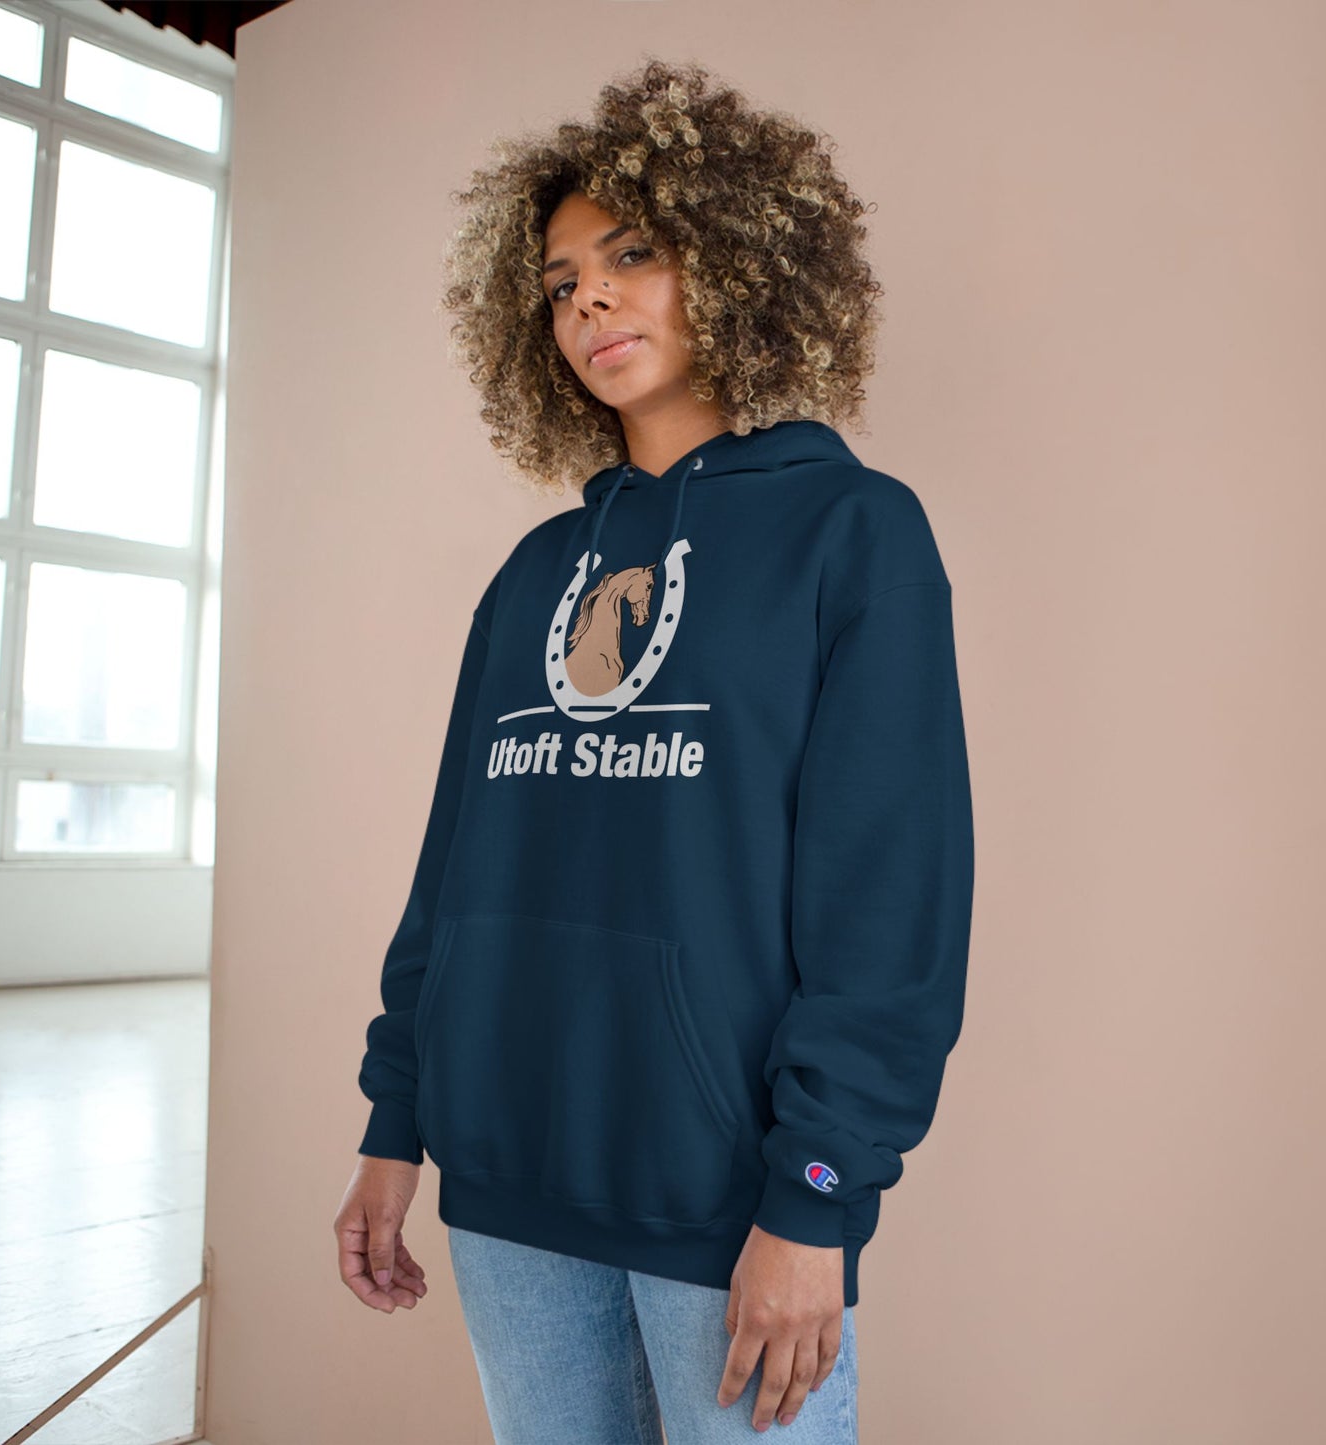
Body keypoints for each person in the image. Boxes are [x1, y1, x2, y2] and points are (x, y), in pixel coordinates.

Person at [333, 57, 975, 1443]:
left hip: (724, 1204)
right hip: (503, 1186)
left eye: (630, 256)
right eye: (560, 282)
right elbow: (453, 872)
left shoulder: (853, 533)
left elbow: (889, 898)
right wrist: (397, 1122)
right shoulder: (531, 575)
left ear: (736, 263)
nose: (590, 301)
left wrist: (816, 1194)